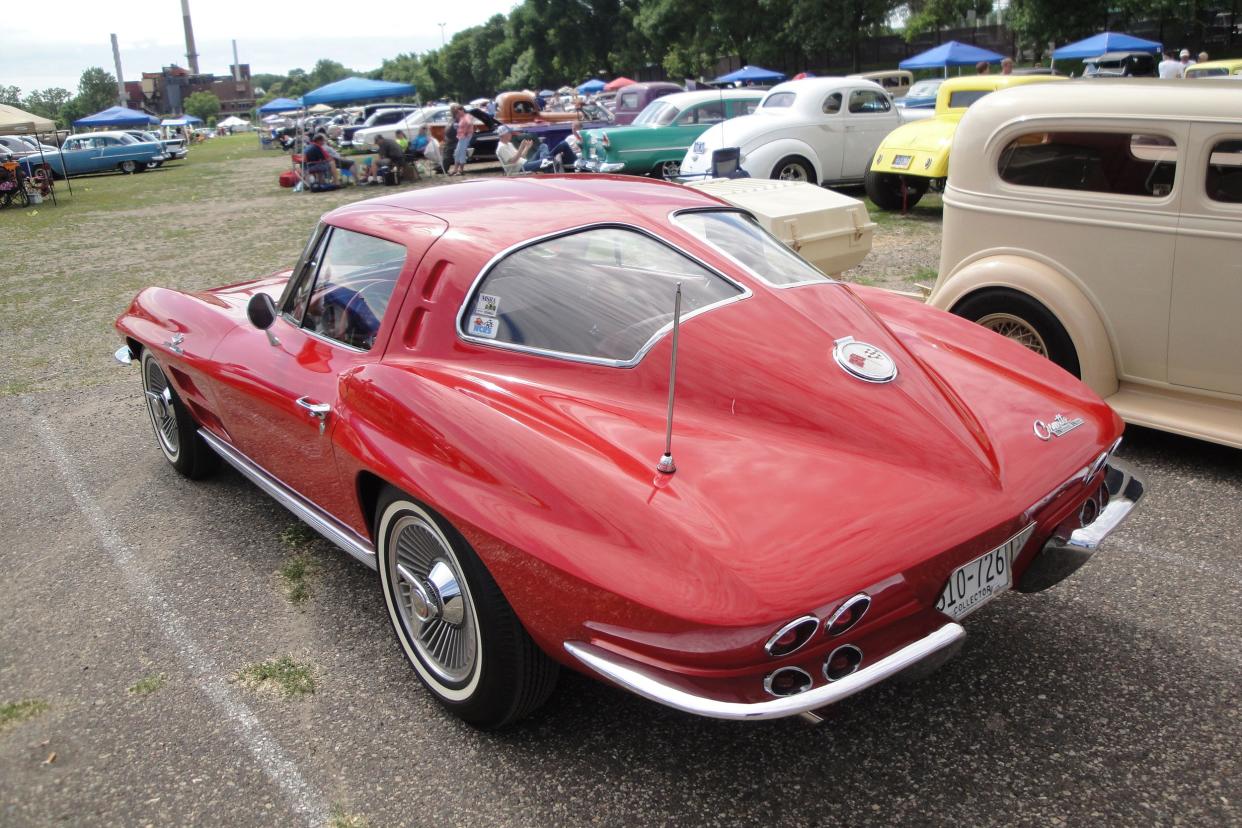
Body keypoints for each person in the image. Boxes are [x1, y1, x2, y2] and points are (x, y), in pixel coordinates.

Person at [494, 125, 578, 174]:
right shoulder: (501, 147)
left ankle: (545, 160)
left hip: (524, 162)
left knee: (543, 146)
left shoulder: (508, 144)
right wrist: (521, 147)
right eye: (509, 133)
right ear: (504, 135)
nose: (511, 135)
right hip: (520, 167)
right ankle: (545, 160)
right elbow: (513, 161)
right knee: (548, 161)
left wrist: (527, 147)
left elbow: (521, 156)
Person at [452, 105, 475, 175]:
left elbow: (469, 123)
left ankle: (461, 170)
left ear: (462, 110)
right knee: (457, 152)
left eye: (458, 111)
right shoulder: (461, 117)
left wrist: (466, 131)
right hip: (461, 137)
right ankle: (455, 169)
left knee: (462, 152)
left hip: (465, 136)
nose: (457, 113)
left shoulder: (467, 116)